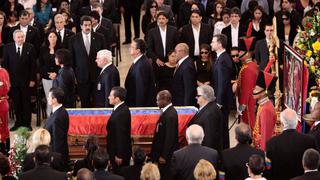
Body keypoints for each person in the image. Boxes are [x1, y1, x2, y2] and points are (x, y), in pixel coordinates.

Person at [266, 108, 317, 180]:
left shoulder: (271, 143)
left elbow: (268, 169)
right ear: (296, 122)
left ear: (282, 123)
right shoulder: (309, 141)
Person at [68, 15, 106, 108]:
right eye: (85, 25)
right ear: (81, 26)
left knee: (97, 101)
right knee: (84, 102)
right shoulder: (73, 39)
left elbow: (105, 56)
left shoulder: (100, 37)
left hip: (97, 75)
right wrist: (74, 76)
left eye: (89, 25)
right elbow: (71, 59)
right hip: (81, 76)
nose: (88, 27)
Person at [3, 29, 36, 131]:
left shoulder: (30, 47)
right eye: (18, 37)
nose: (20, 39)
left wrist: (32, 79)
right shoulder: (7, 48)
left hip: (26, 81)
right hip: (13, 81)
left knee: (26, 102)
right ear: (14, 38)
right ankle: (18, 123)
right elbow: (5, 66)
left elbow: (33, 65)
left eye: (22, 37)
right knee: (17, 102)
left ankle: (27, 123)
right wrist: (7, 81)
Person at [211, 34, 233, 149]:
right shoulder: (221, 58)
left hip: (222, 101)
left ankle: (224, 151)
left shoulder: (223, 60)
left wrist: (219, 102)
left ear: (219, 44)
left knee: (222, 128)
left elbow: (222, 83)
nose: (211, 44)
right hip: (222, 100)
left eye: (213, 42)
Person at [150, 90, 179, 179]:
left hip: (166, 158)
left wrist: (164, 155)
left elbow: (169, 137)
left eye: (157, 100)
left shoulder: (170, 114)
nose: (156, 102)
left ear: (164, 100)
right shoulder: (167, 112)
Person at [188, 85, 223, 152]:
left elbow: (209, 138)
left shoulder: (210, 114)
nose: (196, 97)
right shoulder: (209, 107)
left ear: (205, 97)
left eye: (198, 96)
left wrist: (206, 155)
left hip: (205, 154)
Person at [107, 86, 132, 173]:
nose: (108, 97)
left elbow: (121, 135)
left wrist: (119, 155)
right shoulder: (119, 109)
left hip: (119, 155)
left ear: (117, 99)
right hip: (116, 153)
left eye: (110, 95)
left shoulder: (121, 113)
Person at [124, 39, 156, 107]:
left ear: (138, 50)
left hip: (137, 104)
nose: (130, 49)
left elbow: (141, 90)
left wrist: (138, 109)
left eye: (132, 47)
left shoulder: (141, 66)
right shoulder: (140, 61)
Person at [235, 36, 259, 129]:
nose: (239, 53)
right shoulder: (249, 65)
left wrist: (242, 105)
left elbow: (247, 89)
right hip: (249, 102)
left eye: (241, 51)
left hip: (248, 104)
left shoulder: (248, 68)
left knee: (248, 125)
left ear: (247, 53)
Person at [44, 87, 69, 168]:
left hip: (57, 158)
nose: (47, 98)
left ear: (55, 100)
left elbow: (58, 142)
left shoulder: (57, 117)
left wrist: (53, 159)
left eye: (49, 97)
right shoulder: (60, 110)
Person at [252, 71, 277, 150]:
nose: (253, 91)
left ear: (263, 92)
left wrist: (262, 154)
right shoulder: (262, 105)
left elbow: (266, 136)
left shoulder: (266, 110)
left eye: (256, 88)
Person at [39, 30, 60, 116]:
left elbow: (63, 63)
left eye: (54, 36)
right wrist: (48, 74)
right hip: (46, 77)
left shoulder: (61, 48)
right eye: (50, 37)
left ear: (57, 38)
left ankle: (58, 116)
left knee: (57, 98)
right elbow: (41, 64)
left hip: (58, 77)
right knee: (49, 97)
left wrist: (56, 74)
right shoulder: (43, 49)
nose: (52, 39)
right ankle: (49, 116)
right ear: (47, 38)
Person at [0, 65, 10, 154]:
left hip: (1, 103)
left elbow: (6, 88)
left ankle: (4, 151)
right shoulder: (4, 71)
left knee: (3, 127)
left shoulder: (3, 72)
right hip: (3, 102)